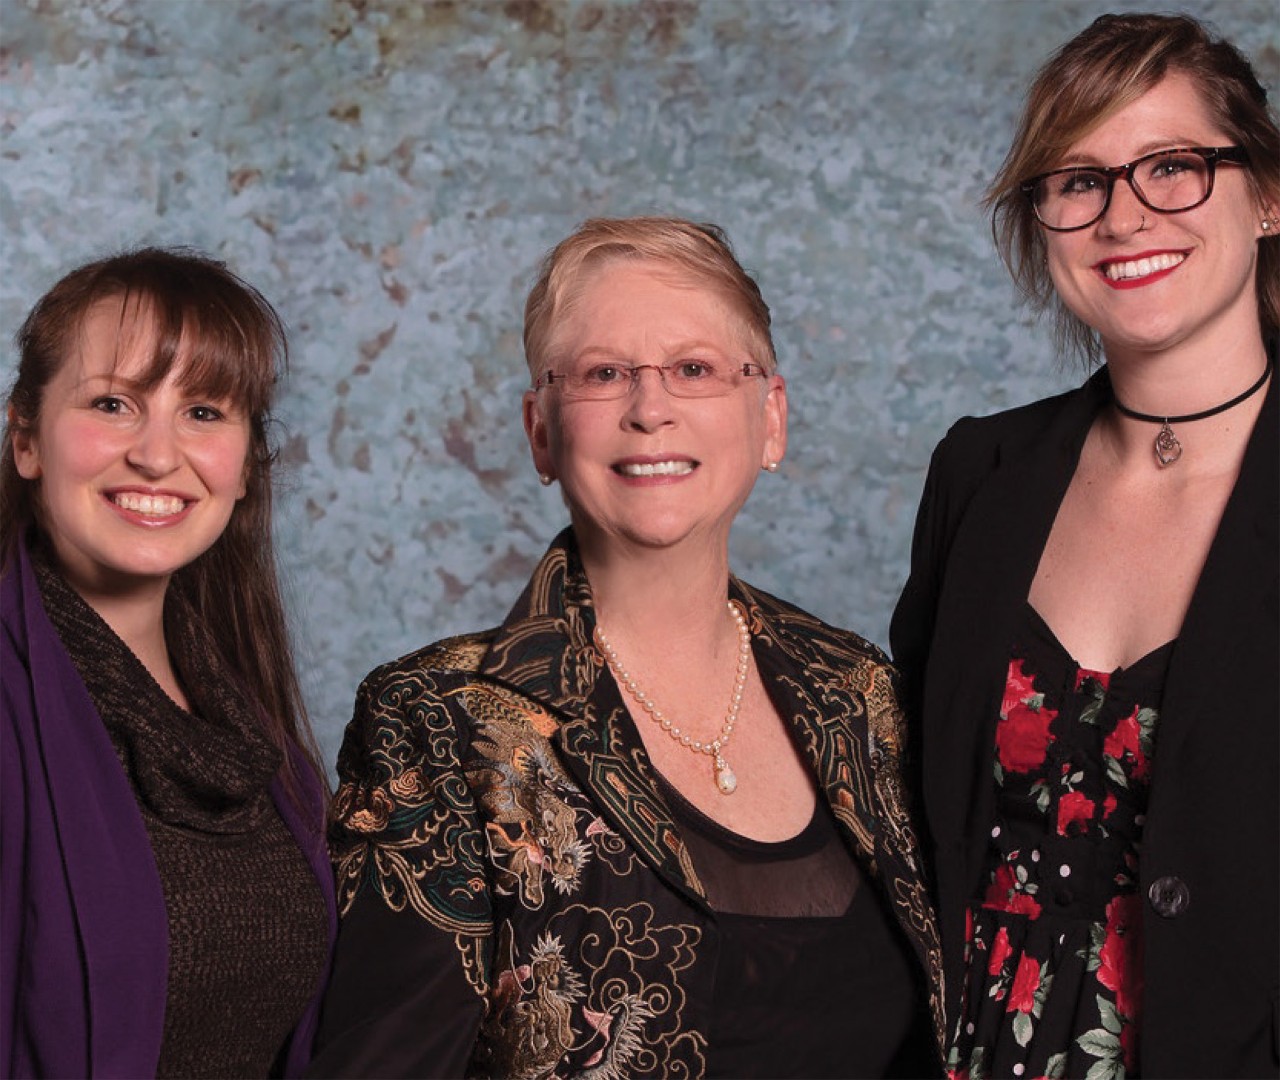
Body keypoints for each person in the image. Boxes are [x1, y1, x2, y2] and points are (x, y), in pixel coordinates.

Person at [309, 216, 943, 1077]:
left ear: (772, 421)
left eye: (695, 369)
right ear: (541, 430)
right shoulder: (436, 722)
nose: (651, 409)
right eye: (605, 374)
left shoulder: (862, 693)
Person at [891, 13, 1278, 1078]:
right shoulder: (977, 474)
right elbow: (913, 839)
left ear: (1268, 194)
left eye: (1171, 165)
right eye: (1076, 181)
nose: (1122, 216)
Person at [0, 248, 337, 1078]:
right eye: (112, 403)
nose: (158, 454)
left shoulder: (248, 725)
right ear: (27, 440)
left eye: (204, 411)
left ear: (247, 464)